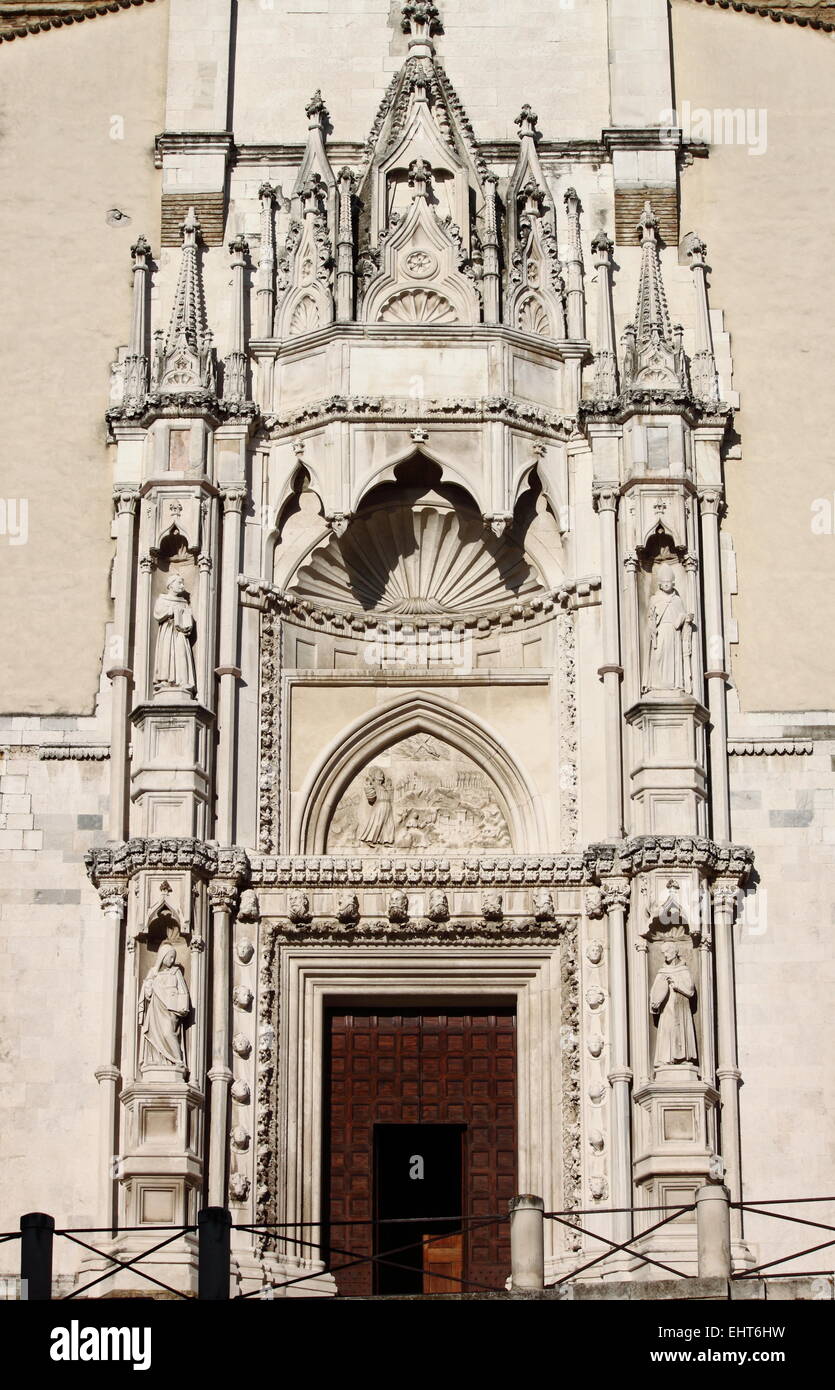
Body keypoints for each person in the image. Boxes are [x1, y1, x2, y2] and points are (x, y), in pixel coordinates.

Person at [138, 947, 191, 1070]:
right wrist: (148, 987)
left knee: (168, 1033)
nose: (172, 960)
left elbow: (183, 991)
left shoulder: (175, 972)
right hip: (156, 1008)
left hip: (171, 1009)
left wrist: (183, 1006)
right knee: (155, 1033)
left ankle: (177, 1060)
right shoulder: (153, 972)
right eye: (170, 957)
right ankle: (158, 1060)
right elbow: (147, 994)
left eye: (174, 957)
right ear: (162, 956)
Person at [643, 566, 693, 693]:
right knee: (658, 655)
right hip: (661, 632)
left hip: (674, 632)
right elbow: (650, 617)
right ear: (660, 584)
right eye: (664, 583)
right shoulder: (654, 599)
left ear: (673, 583)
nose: (666, 585)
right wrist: (652, 625)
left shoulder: (677, 600)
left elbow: (681, 616)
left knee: (673, 658)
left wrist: (686, 619)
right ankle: (657, 683)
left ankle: (674, 683)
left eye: (668, 582)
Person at [650, 941, 697, 1067]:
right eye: (663, 952)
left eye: (667, 951)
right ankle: (665, 1059)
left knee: (681, 1030)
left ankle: (683, 1059)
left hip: (681, 1007)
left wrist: (677, 985)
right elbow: (655, 991)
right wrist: (654, 1003)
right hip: (667, 1009)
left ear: (675, 952)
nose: (665, 955)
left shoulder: (683, 970)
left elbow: (690, 990)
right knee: (667, 1030)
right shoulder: (662, 971)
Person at [153, 574, 197, 695]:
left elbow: (189, 619)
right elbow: (157, 614)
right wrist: (169, 612)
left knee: (181, 654)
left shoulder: (184, 602)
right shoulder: (162, 599)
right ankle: (164, 680)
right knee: (166, 654)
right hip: (167, 630)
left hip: (180, 632)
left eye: (182, 583)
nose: (182, 586)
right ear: (171, 585)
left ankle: (183, 681)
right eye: (179, 583)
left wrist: (186, 616)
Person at [358, 766, 396, 846]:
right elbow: (371, 798)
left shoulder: (384, 787)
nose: (382, 775)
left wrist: (389, 788)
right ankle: (370, 839)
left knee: (389, 824)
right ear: (374, 776)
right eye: (380, 773)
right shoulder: (374, 786)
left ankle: (387, 840)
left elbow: (390, 796)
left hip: (387, 806)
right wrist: (368, 787)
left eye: (382, 774)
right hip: (380, 806)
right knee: (377, 822)